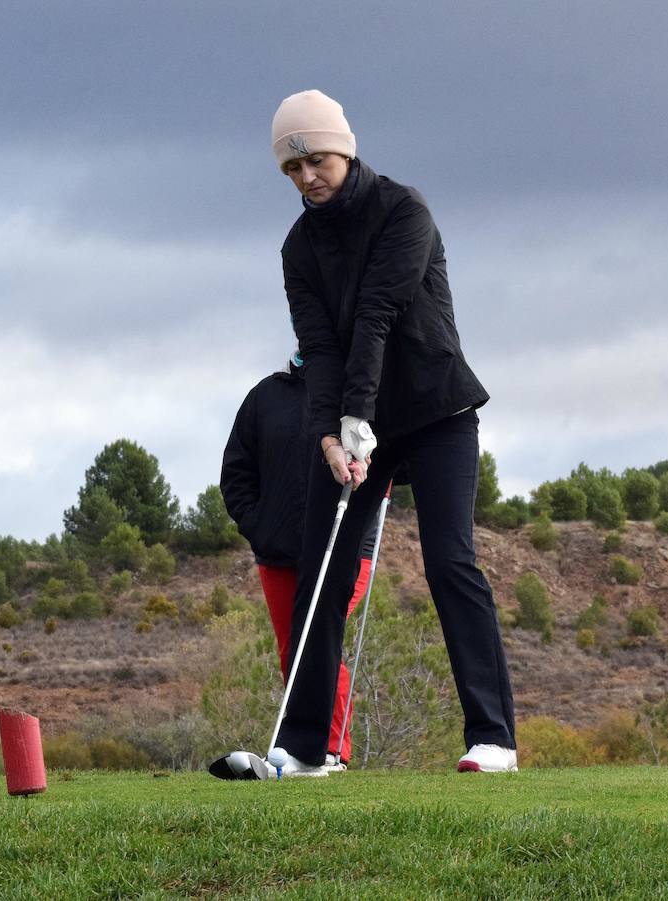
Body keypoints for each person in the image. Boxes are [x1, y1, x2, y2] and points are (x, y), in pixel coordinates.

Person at [268, 90, 516, 773]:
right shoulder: (298, 247)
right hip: (352, 418)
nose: (307, 177)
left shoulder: (404, 211)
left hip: (436, 410)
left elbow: (377, 315)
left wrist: (356, 417)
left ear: (342, 150)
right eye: (293, 170)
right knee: (323, 565)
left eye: (315, 160)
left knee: (449, 560)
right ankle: (305, 747)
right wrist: (327, 434)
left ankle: (492, 737)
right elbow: (318, 348)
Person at [220, 350, 384, 771]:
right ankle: (304, 747)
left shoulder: (357, 398)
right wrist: (260, 527)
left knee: (317, 638)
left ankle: (331, 750)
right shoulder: (265, 397)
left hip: (343, 547)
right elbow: (236, 473)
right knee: (292, 649)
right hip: (278, 552)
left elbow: (382, 466)